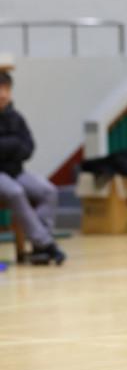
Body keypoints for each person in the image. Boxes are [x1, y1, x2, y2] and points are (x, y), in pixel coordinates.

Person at [0, 71, 65, 265]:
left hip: (16, 171)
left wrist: (8, 147)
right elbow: (17, 145)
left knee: (48, 190)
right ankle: (46, 244)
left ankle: (39, 248)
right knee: (16, 192)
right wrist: (14, 145)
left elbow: (28, 148)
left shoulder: (16, 118)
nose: (3, 94)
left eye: (6, 89)